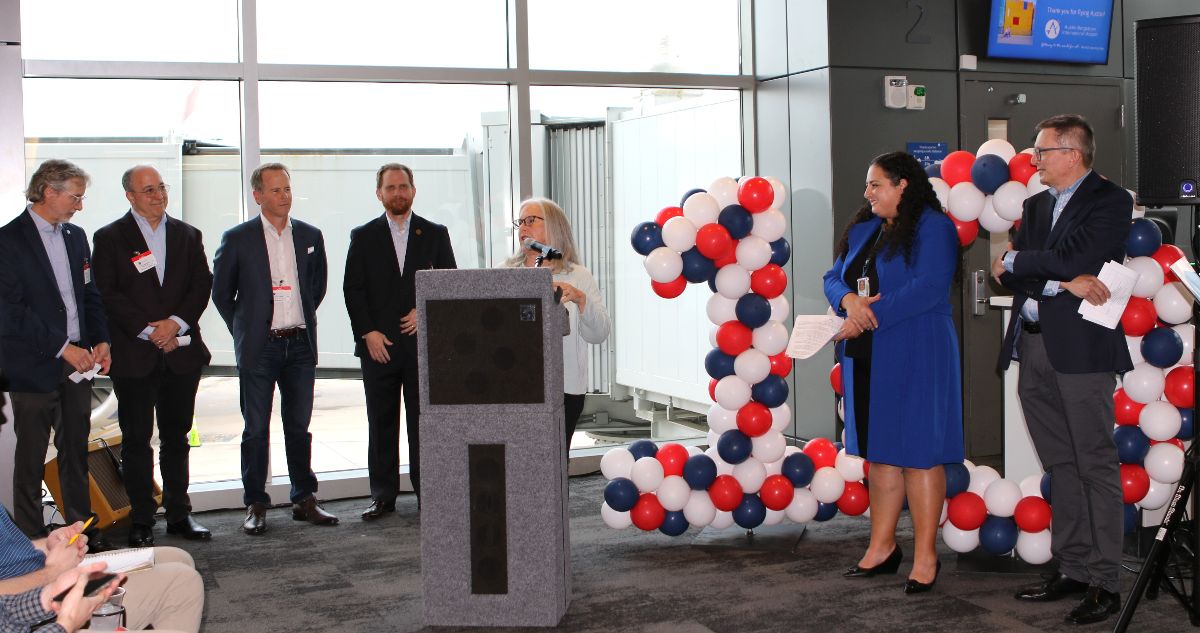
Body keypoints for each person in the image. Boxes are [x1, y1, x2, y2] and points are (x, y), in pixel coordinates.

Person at [992, 114, 1131, 625]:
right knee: (1060, 465)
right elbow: (1012, 273)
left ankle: (1106, 582)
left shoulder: (1111, 200)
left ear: (1073, 153)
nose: (1034, 160)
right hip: (1033, 348)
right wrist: (1058, 279)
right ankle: (1071, 568)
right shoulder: (1034, 205)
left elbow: (1078, 256)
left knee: (1094, 463)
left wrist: (1028, 263)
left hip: (1082, 351)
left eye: (1042, 151)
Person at [822, 151, 962, 594]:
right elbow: (833, 277)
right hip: (868, 354)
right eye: (867, 185)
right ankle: (882, 547)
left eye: (875, 184)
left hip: (918, 349)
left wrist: (867, 317)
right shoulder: (865, 229)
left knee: (919, 454)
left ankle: (926, 556)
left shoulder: (933, 227)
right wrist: (848, 302)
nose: (867, 193)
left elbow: (930, 288)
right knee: (880, 455)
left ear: (903, 185)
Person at [212, 163, 338, 535]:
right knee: (255, 429)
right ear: (258, 196)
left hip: (299, 344)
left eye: (287, 189)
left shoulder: (310, 235)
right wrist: (246, 327)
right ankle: (255, 502)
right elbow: (222, 294)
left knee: (298, 426)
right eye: (276, 190)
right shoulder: (238, 238)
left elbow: (316, 287)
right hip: (259, 348)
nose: (284, 196)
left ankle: (304, 498)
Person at [91, 166, 214, 547]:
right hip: (135, 355)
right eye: (148, 190)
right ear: (129, 195)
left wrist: (175, 324)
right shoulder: (110, 237)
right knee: (136, 441)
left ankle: (179, 514)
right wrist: (150, 330)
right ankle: (141, 518)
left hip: (179, 354)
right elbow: (106, 293)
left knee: (177, 438)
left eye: (161, 188)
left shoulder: (188, 235)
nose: (158, 195)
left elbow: (201, 284)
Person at [0, 400, 201, 632]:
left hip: (39, 579)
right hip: (30, 601)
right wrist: (52, 573)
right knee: (181, 583)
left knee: (177, 558)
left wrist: (46, 545)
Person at [0, 160, 111, 550]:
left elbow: (89, 294)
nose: (79, 205)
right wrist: (65, 348)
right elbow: (10, 312)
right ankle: (32, 542)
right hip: (33, 367)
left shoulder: (76, 237)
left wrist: (101, 340)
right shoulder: (8, 241)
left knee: (75, 455)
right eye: (75, 196)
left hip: (78, 366)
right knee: (30, 462)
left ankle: (82, 533)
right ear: (49, 191)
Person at [344, 164, 456, 519]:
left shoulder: (436, 234)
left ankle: (430, 495)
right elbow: (353, 290)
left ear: (413, 190)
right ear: (379, 193)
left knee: (424, 424)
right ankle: (383, 495)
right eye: (390, 187)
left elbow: (450, 286)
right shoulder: (362, 236)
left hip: (422, 348)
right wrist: (368, 333)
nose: (398, 193)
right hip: (379, 347)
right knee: (381, 423)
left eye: (403, 186)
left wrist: (425, 314)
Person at [502, 198, 610, 448]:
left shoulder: (578, 275)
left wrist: (582, 301)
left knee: (554, 460)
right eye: (520, 222)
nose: (523, 228)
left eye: (531, 221)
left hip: (564, 386)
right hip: (512, 385)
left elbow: (599, 334)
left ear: (554, 227)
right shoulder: (503, 273)